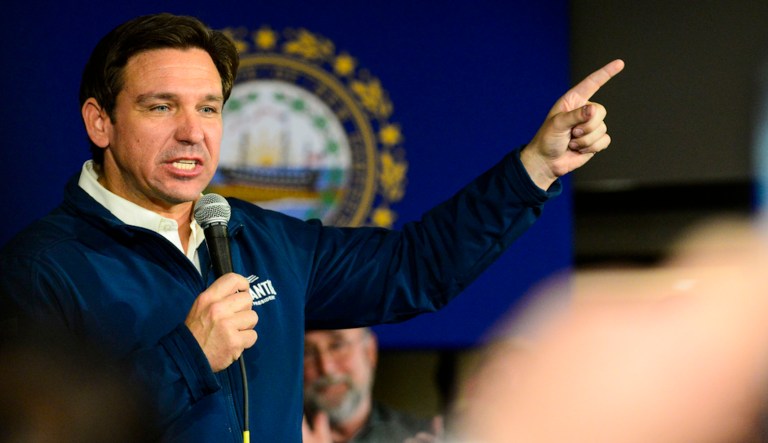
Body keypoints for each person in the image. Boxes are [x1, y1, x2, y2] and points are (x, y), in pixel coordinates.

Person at [0, 12, 623, 443]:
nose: (192, 132)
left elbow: (416, 267)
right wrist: (189, 356)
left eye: (209, 108)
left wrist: (536, 167)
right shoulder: (40, 269)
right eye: (161, 106)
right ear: (100, 122)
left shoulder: (260, 238)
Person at [302, 327, 441, 443]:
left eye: (337, 346)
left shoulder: (425, 436)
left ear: (370, 351)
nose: (326, 368)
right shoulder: (289, 435)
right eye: (307, 352)